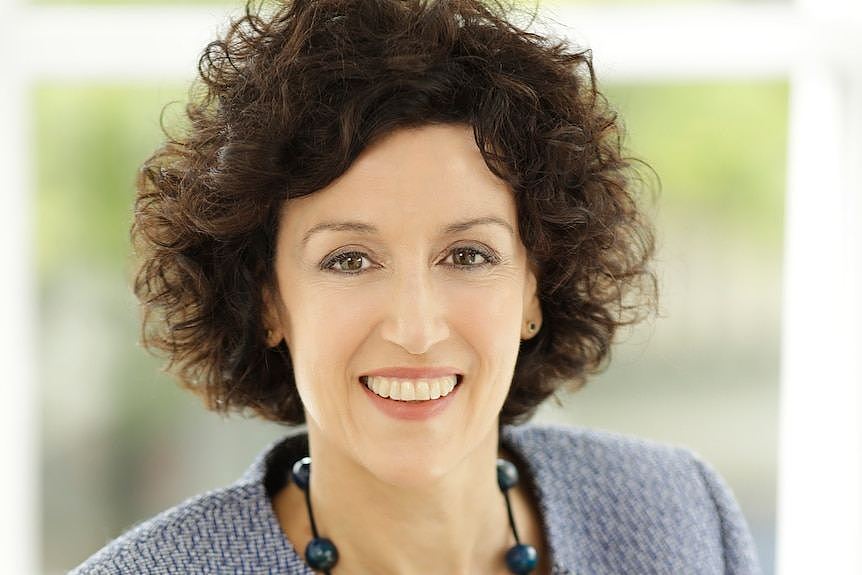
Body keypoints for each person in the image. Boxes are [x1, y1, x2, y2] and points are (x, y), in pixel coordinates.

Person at [72, 0, 762, 573]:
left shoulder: (680, 517)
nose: (416, 326)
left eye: (467, 254)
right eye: (348, 259)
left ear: (535, 284)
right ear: (267, 297)